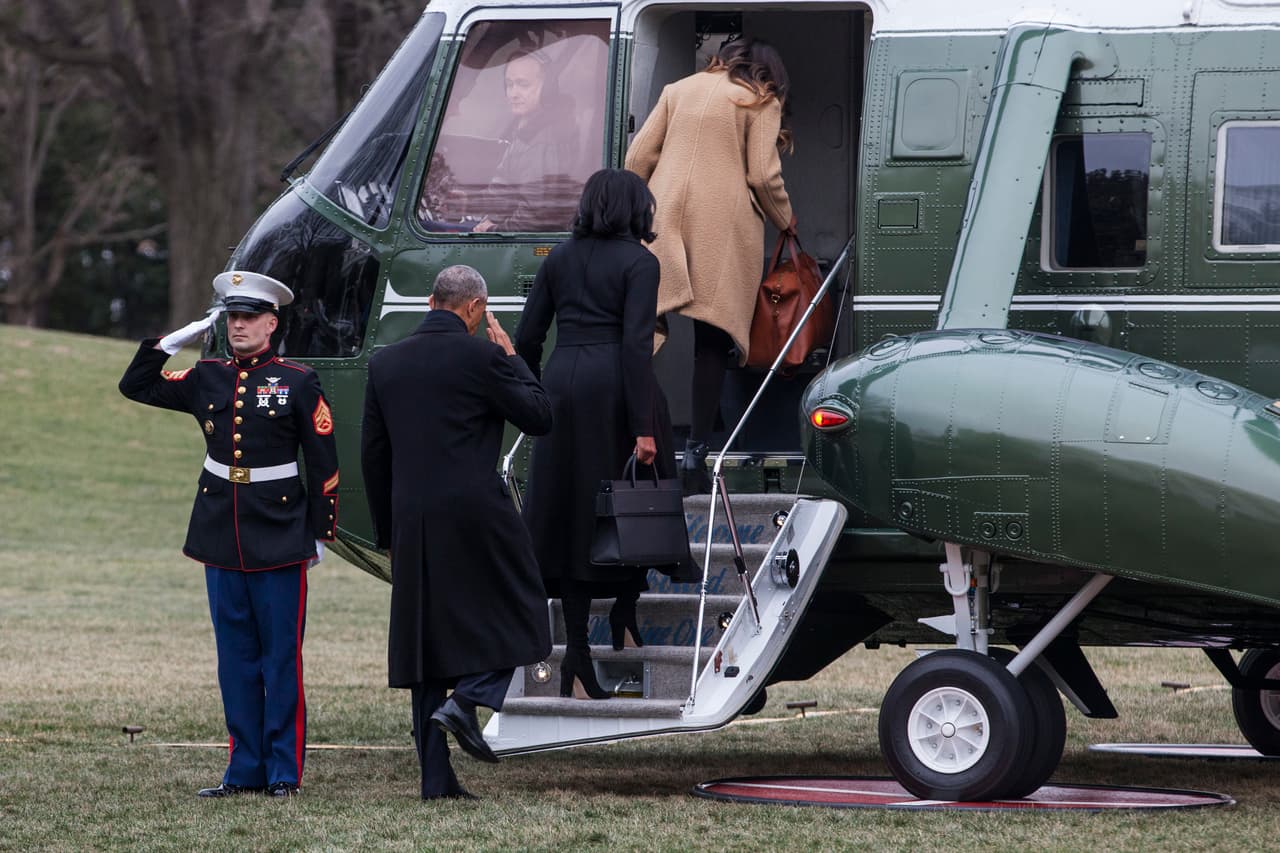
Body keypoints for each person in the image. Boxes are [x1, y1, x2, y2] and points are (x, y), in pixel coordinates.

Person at [118, 271, 340, 799]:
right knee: (235, 659)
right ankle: (243, 771)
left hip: (279, 533)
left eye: (248, 317)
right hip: (221, 531)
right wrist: (173, 342)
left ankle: (283, 773)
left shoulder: (297, 381)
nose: (238, 325)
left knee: (279, 658)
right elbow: (136, 386)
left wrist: (320, 534)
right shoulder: (208, 376)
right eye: (231, 317)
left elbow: (324, 462)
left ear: (271, 323)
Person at [360, 264, 553, 800]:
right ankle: (468, 700)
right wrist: (512, 357)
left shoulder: (386, 364)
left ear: (430, 302)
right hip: (477, 513)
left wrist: (389, 533)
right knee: (527, 606)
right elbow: (539, 416)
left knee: (427, 647)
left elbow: (373, 458)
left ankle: (435, 780)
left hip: (412, 520)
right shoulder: (483, 356)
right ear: (474, 309)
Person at [514, 169, 693, 700]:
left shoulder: (560, 258)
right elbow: (637, 345)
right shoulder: (641, 261)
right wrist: (644, 427)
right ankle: (624, 609)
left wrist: (533, 389)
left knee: (572, 517)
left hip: (562, 385)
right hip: (617, 390)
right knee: (639, 500)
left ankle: (578, 655)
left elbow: (527, 336)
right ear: (636, 210)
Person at [624, 37, 796, 493]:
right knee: (712, 342)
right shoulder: (759, 99)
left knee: (643, 333)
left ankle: (635, 436)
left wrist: (635, 212)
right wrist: (786, 220)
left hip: (661, 216)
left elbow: (637, 157)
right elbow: (763, 174)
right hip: (721, 227)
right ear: (769, 71)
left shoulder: (677, 89)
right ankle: (696, 454)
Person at [472, 50, 582, 232]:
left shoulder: (543, 141)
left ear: (547, 89)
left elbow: (537, 217)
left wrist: (492, 231)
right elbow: (506, 191)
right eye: (509, 84)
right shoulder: (529, 127)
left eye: (523, 84)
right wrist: (465, 202)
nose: (513, 93)